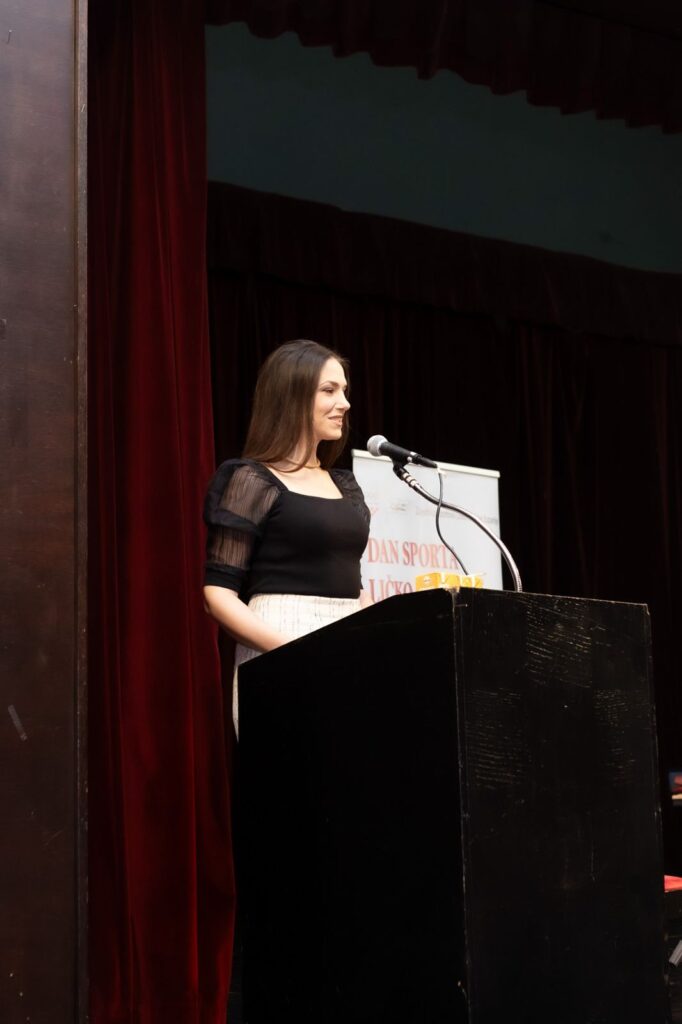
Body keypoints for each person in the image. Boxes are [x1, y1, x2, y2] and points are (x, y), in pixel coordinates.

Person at [203, 339, 372, 732]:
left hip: (347, 653)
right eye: (329, 390)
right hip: (278, 644)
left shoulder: (345, 485)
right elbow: (218, 595)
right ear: (292, 395)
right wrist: (297, 650)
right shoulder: (252, 480)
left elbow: (354, 583)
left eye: (344, 390)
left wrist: (373, 638)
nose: (345, 403)